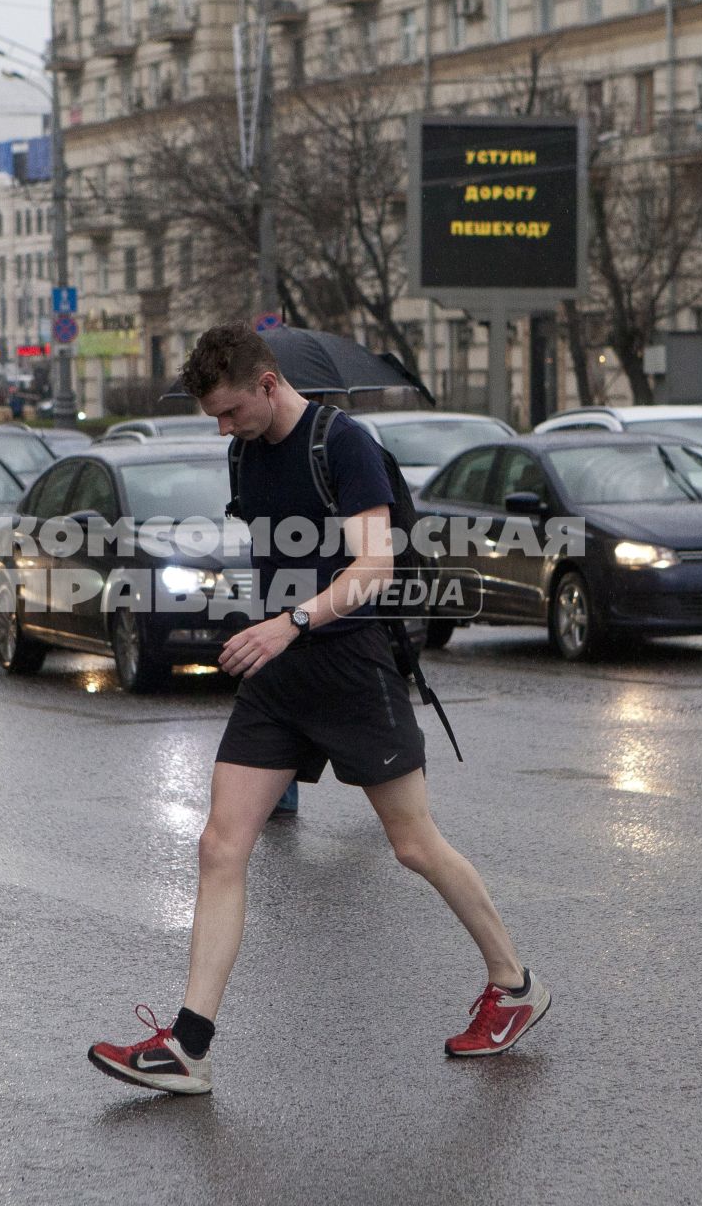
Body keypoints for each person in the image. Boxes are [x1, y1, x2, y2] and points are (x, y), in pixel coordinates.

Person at [87, 323, 548, 1096]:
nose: (223, 429)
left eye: (231, 411)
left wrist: (292, 620)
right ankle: (188, 1045)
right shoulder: (244, 449)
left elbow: (374, 567)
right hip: (277, 675)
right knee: (219, 846)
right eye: (215, 417)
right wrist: (269, 623)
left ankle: (515, 985)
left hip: (349, 664)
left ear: (268, 385)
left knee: (414, 846)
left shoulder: (345, 444)